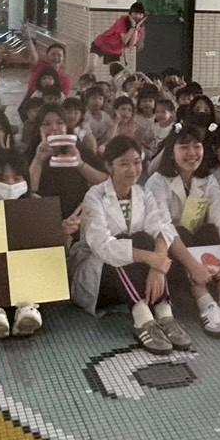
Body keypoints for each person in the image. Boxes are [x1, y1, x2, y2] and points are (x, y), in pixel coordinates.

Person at [72, 136, 187, 355]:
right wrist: (149, 258)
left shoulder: (143, 194)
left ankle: (165, 315)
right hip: (101, 279)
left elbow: (162, 226)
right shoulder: (95, 196)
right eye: (124, 164)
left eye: (136, 162)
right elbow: (103, 246)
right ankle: (142, 319)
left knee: (145, 238)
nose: (133, 170)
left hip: (134, 279)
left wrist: (157, 267)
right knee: (120, 246)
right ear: (109, 166)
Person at [145, 127, 220, 338]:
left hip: (201, 245)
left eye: (197, 146)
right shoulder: (157, 182)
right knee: (179, 231)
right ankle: (205, 302)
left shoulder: (208, 179)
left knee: (210, 230)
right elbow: (164, 229)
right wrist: (193, 266)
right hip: (174, 252)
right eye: (184, 147)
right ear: (171, 152)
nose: (192, 153)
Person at [0, 149, 74, 340]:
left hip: (27, 280)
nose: (10, 184)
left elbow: (52, 253)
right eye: (1, 178)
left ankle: (27, 309)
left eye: (17, 178)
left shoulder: (36, 205)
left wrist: (63, 232)